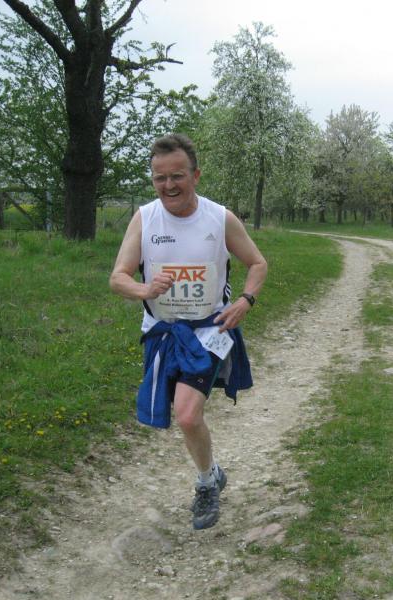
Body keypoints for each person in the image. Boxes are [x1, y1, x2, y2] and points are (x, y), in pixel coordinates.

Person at [109, 133, 268, 531]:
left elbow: (257, 263)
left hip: (209, 330)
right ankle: (213, 472)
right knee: (184, 415)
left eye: (177, 176)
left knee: (186, 413)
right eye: (159, 178)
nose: (168, 185)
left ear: (195, 175)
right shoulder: (145, 218)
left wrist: (245, 300)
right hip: (163, 332)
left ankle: (205, 484)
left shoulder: (219, 218)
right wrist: (145, 289)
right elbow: (118, 278)